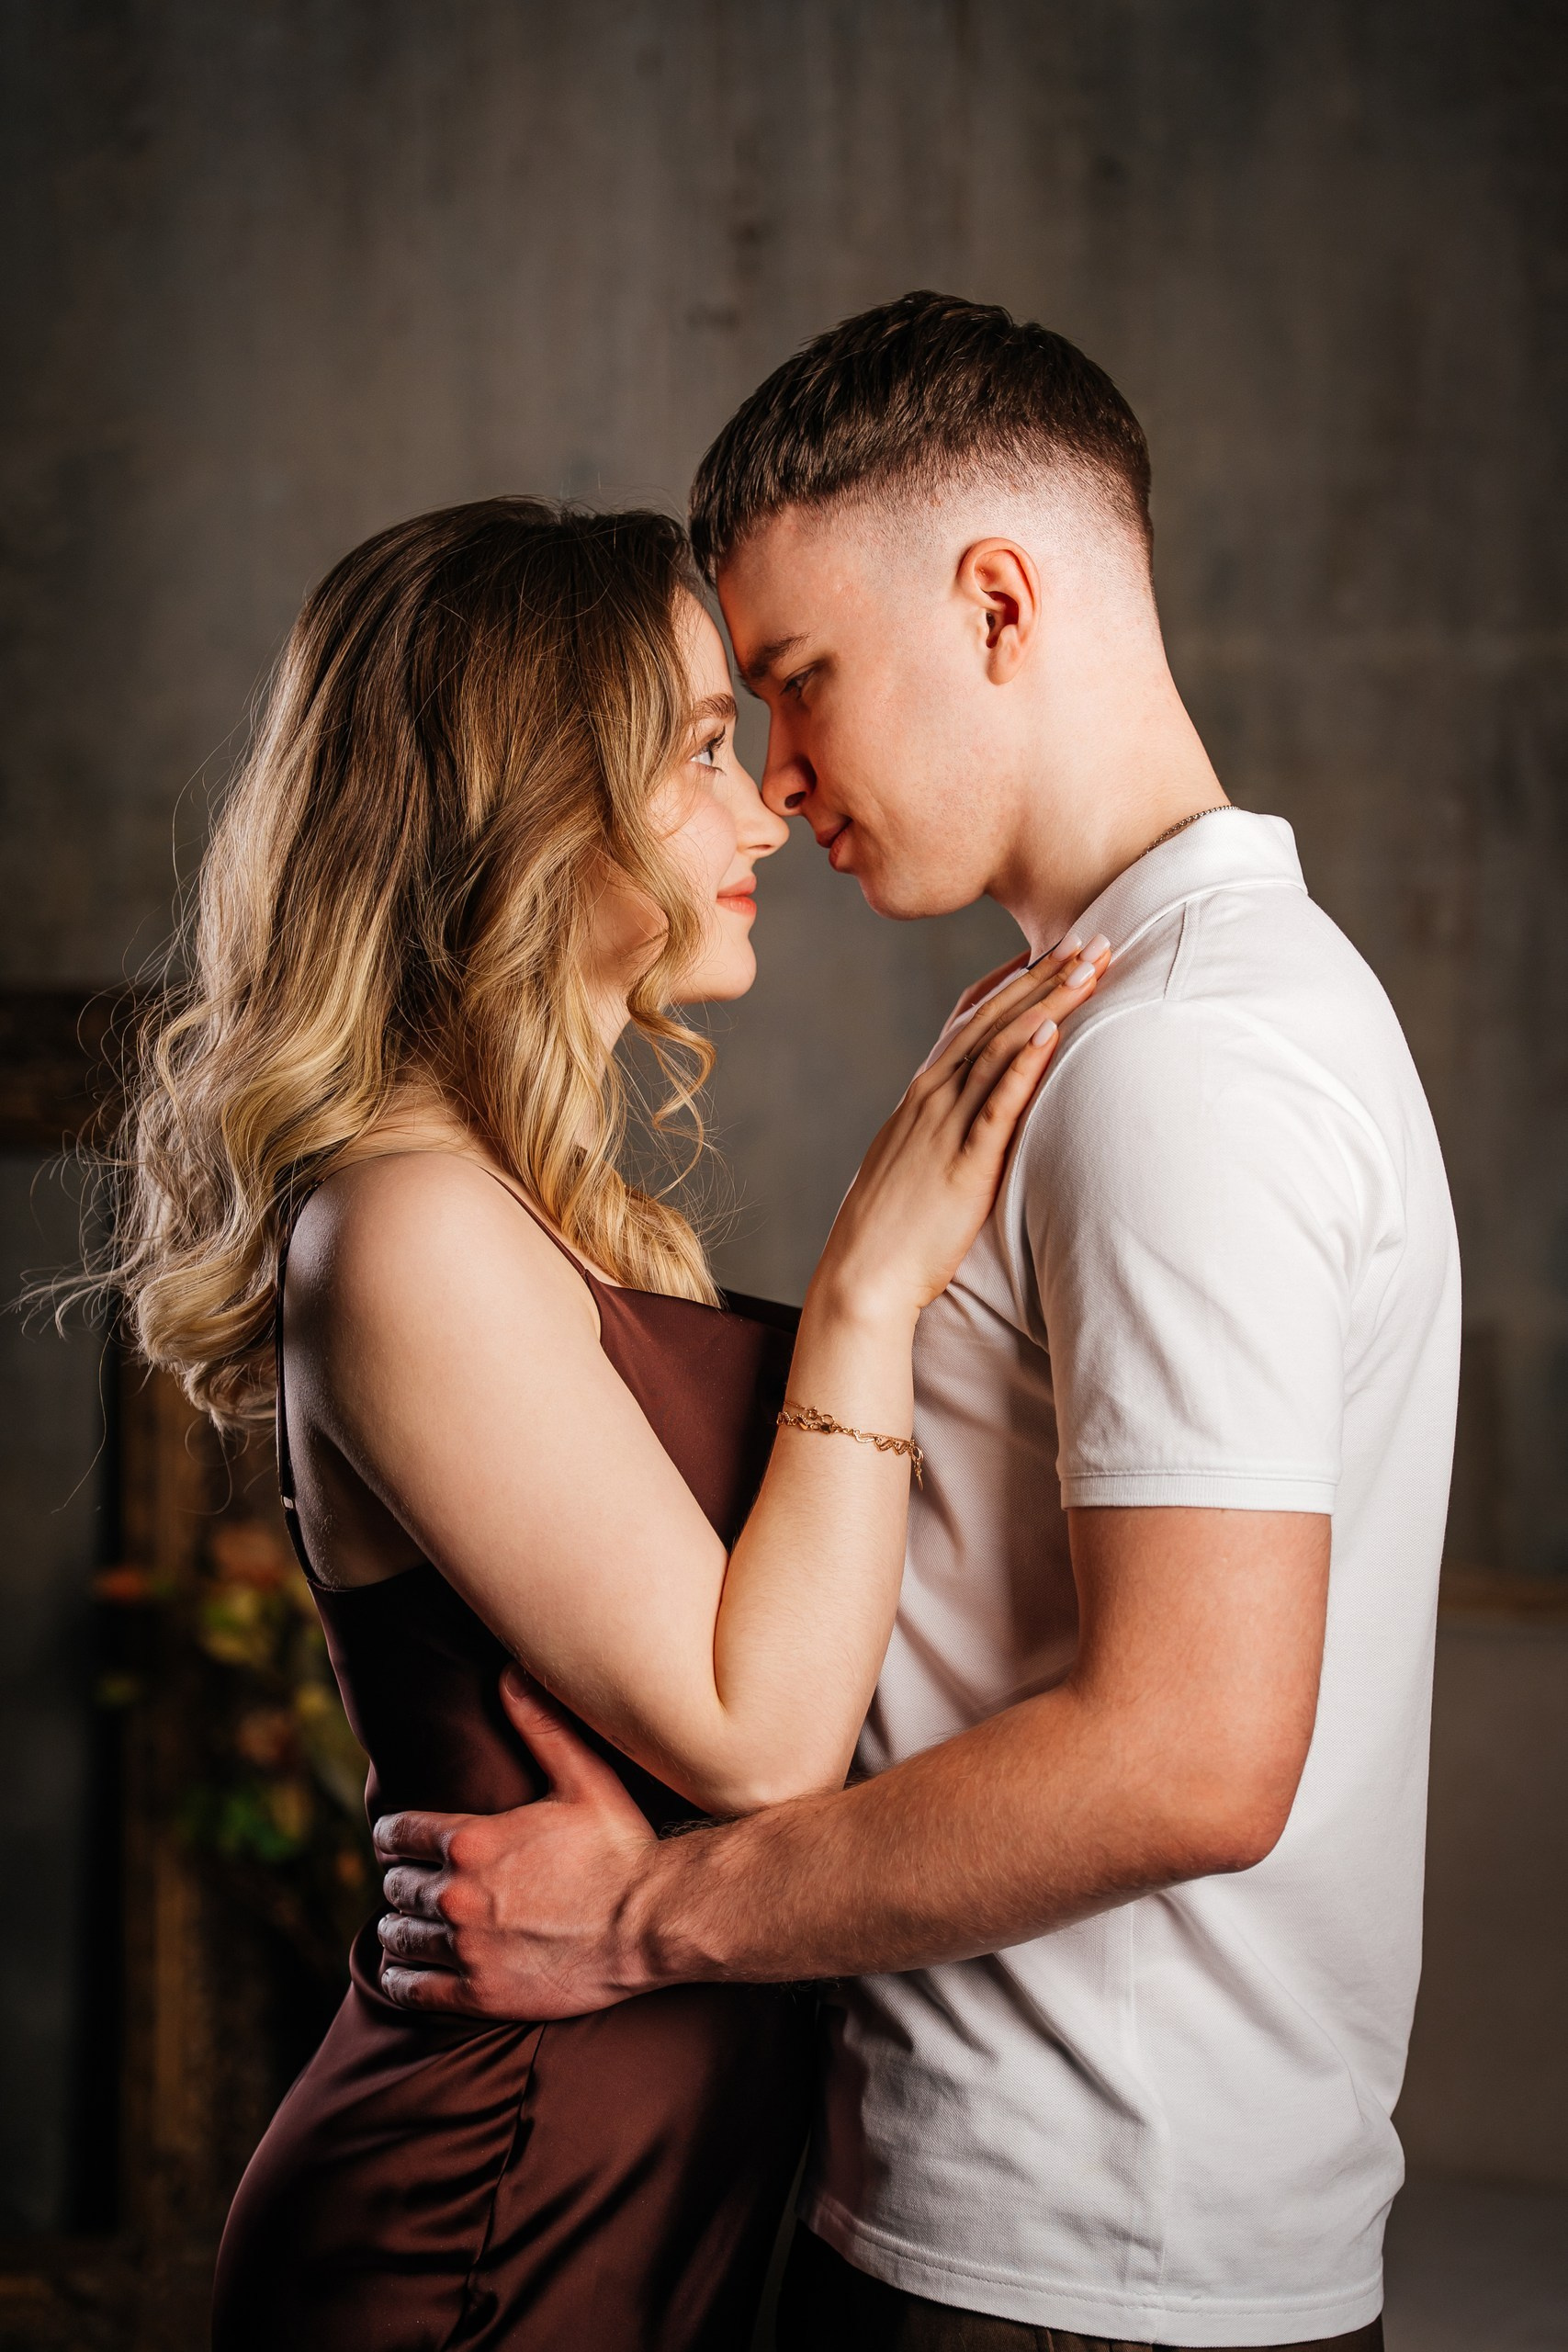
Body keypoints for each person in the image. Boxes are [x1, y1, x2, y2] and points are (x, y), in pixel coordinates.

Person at [375, 297, 1462, 2352]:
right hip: (1052, 2223)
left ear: (995, 604)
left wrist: (645, 1917)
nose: (779, 780)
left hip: (1066, 2262)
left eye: (796, 682)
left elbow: (1191, 1755)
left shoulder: (1183, 1060)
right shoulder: (1152, 1013)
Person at [87, 493, 1103, 2350]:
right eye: (702, 748)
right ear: (532, 806)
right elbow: (761, 1737)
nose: (763, 810)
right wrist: (866, 1292)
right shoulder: (402, 1223)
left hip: (648, 2199)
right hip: (482, 2214)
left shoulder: (538, 1210)